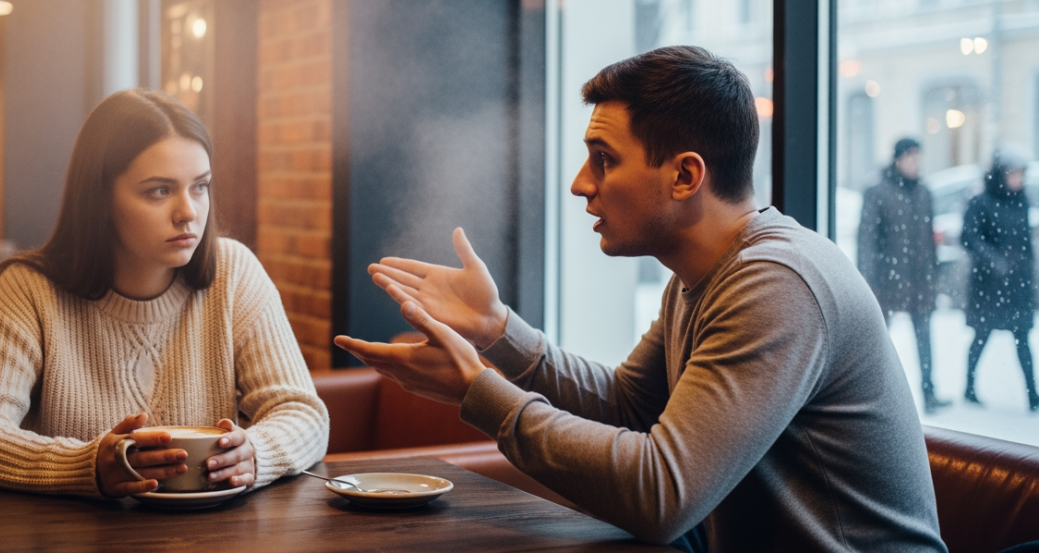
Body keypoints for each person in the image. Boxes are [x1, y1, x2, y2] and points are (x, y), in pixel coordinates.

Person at [336, 46, 946, 552]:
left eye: (604, 160)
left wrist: (479, 392)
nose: (580, 184)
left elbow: (662, 494)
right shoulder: (704, 273)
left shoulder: (777, 282)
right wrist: (499, 331)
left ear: (685, 176)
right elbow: (630, 404)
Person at [0, 89, 328, 498]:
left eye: (200, 186)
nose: (188, 211)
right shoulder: (29, 290)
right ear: (101, 198)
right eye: (159, 190)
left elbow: (303, 413)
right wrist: (87, 465)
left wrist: (256, 454)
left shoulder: (233, 272)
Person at [857, 137, 949, 412]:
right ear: (898, 159)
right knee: (880, 338)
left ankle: (929, 392)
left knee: (924, 335)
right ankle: (872, 392)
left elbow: (929, 237)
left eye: (918, 157)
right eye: (910, 157)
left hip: (919, 279)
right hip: (887, 279)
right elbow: (867, 240)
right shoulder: (878, 192)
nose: (915, 163)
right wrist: (868, 280)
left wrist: (933, 273)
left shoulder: (924, 192)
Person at [961, 146, 1039, 412]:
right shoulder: (981, 201)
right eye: (1014, 174)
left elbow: (1025, 242)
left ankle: (1033, 394)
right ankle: (969, 386)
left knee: (1023, 339)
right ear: (1001, 175)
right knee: (981, 336)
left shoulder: (1022, 201)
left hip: (1017, 284)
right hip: (989, 285)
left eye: (1021, 174)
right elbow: (969, 237)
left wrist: (1029, 273)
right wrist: (993, 260)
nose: (1018, 179)